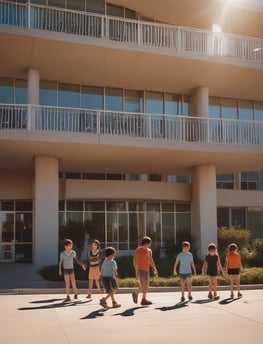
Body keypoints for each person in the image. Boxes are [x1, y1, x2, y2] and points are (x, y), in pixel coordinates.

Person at [132, 236, 158, 306]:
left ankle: (144, 299)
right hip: (140, 270)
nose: (150, 245)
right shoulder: (138, 249)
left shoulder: (149, 251)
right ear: (146, 243)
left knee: (146, 286)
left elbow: (150, 260)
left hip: (146, 270)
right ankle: (135, 293)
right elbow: (134, 260)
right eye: (149, 243)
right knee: (142, 285)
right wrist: (136, 270)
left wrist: (154, 268)